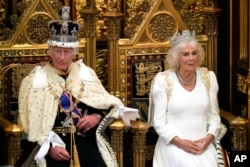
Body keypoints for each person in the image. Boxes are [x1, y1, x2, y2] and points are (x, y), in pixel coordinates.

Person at [16, 6, 129, 167]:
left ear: (75, 52)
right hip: (53, 145)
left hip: (84, 140)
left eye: (67, 52)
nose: (62, 57)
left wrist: (95, 117)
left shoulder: (85, 74)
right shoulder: (35, 79)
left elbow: (105, 103)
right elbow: (28, 123)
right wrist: (48, 148)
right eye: (58, 51)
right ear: (50, 51)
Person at [147, 30, 224, 167]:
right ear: (176, 58)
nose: (191, 58)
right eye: (186, 54)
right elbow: (159, 122)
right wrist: (180, 142)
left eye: (194, 53)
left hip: (203, 145)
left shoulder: (208, 77)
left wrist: (208, 138)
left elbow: (214, 117)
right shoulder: (163, 80)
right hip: (173, 145)